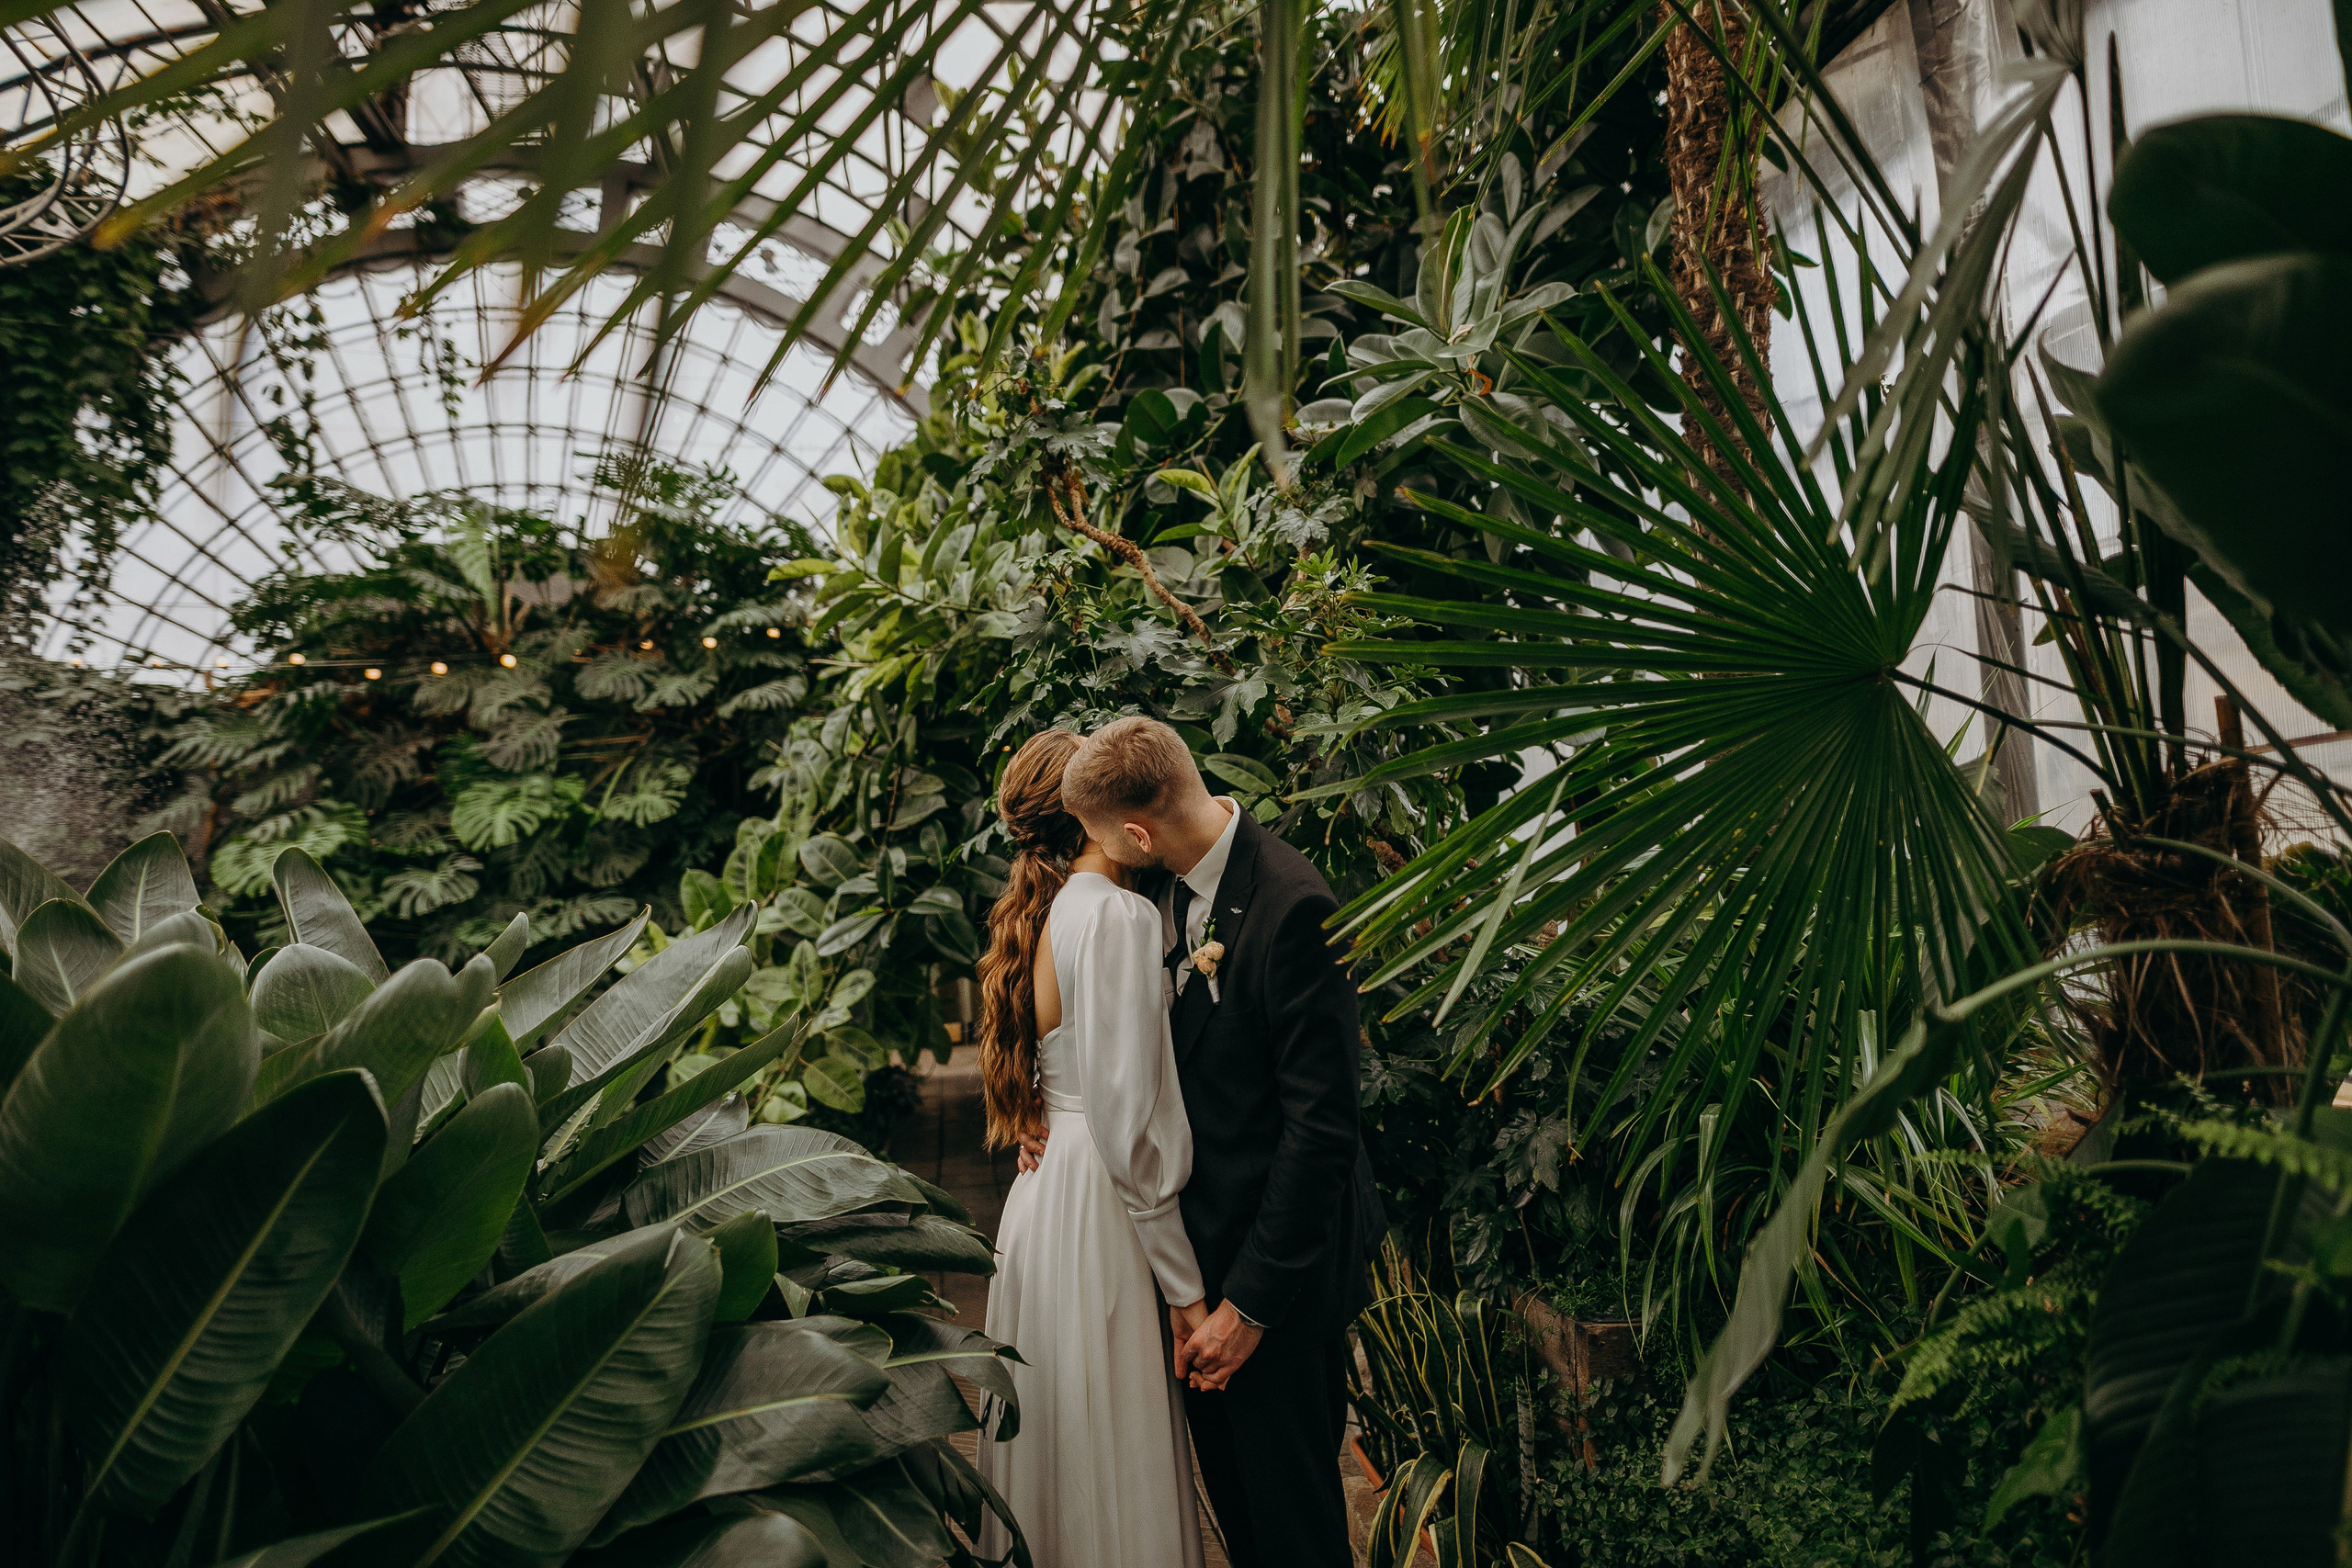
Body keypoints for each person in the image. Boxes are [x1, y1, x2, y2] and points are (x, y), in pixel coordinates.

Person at [1024, 714, 1379, 1568]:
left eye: (1103, 837)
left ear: (1136, 832)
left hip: (1275, 1281)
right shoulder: (1168, 888)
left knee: (1294, 1530)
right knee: (1241, 1518)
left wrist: (1246, 1308)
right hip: (1201, 1272)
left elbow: (1323, 1128)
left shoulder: (1294, 905)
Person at [972, 728, 1208, 1568]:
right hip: (1101, 1200)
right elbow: (1130, 1123)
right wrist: (1185, 1285)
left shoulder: (1056, 910)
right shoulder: (1115, 916)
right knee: (1111, 1427)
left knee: (1068, 1431)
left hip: (1048, 1200)